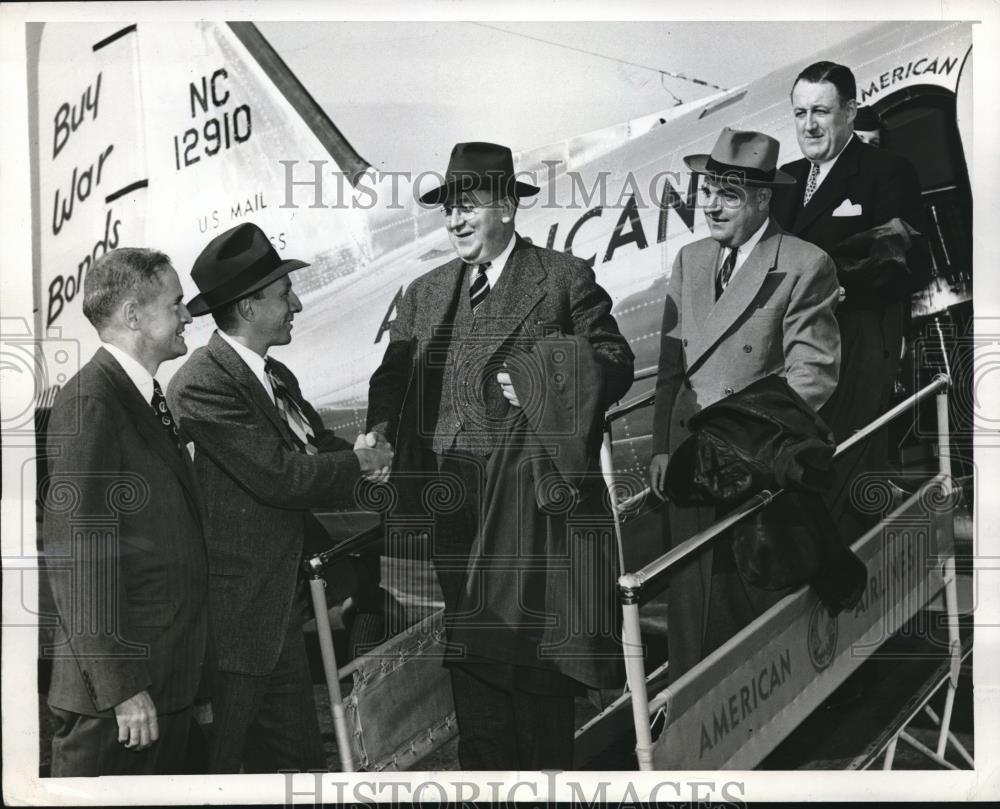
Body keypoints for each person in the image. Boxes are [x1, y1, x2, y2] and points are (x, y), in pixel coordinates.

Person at [366, 141, 634, 769]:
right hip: (453, 505)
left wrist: (547, 375)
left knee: (535, 671)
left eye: (471, 205)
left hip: (530, 512)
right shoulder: (426, 292)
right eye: (449, 208)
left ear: (509, 205)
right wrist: (378, 430)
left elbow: (615, 363)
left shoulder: (563, 278)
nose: (456, 219)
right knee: (475, 666)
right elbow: (393, 376)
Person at [168, 223, 391, 773]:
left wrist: (372, 458)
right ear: (248, 306)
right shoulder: (201, 384)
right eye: (283, 293)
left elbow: (317, 446)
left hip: (282, 615)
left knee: (293, 766)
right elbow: (282, 478)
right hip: (235, 627)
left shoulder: (274, 374)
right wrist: (359, 463)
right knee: (218, 770)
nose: (296, 303)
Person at [648, 127, 841, 681]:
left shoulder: (804, 264)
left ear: (762, 200)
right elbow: (672, 367)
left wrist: (746, 438)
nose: (709, 204)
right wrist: (664, 446)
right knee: (694, 609)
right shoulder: (690, 261)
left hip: (755, 469)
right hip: (689, 466)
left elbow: (813, 374)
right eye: (707, 189)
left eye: (727, 195)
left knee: (750, 614)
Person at [43, 248, 210, 775]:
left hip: (162, 686)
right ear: (134, 315)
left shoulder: (139, 398)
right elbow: (77, 556)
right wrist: (123, 689)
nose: (188, 315)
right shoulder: (91, 402)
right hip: (119, 705)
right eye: (177, 302)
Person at [771, 61, 928, 542]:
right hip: (790, 350)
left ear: (850, 111)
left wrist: (830, 284)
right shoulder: (784, 180)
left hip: (856, 343)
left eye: (821, 111)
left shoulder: (887, 170)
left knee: (846, 465)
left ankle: (849, 572)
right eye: (800, 113)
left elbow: (904, 262)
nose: (809, 125)